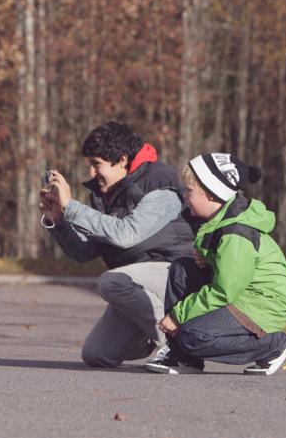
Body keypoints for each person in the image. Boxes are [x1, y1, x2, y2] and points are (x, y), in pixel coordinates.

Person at [39, 122, 195, 368]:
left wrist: (72, 206)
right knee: (97, 354)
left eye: (96, 164)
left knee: (111, 281)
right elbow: (84, 252)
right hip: (134, 285)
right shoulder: (104, 193)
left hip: (176, 276)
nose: (91, 173)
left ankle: (179, 345)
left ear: (121, 160)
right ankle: (157, 335)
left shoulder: (160, 185)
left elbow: (127, 235)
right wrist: (59, 220)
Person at [145, 153, 286, 375]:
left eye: (190, 191)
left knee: (193, 336)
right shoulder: (218, 222)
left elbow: (224, 291)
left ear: (211, 195)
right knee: (182, 269)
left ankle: (273, 345)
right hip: (241, 294)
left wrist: (178, 315)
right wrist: (208, 259)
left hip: (262, 303)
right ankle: (184, 358)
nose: (185, 196)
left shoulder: (235, 233)